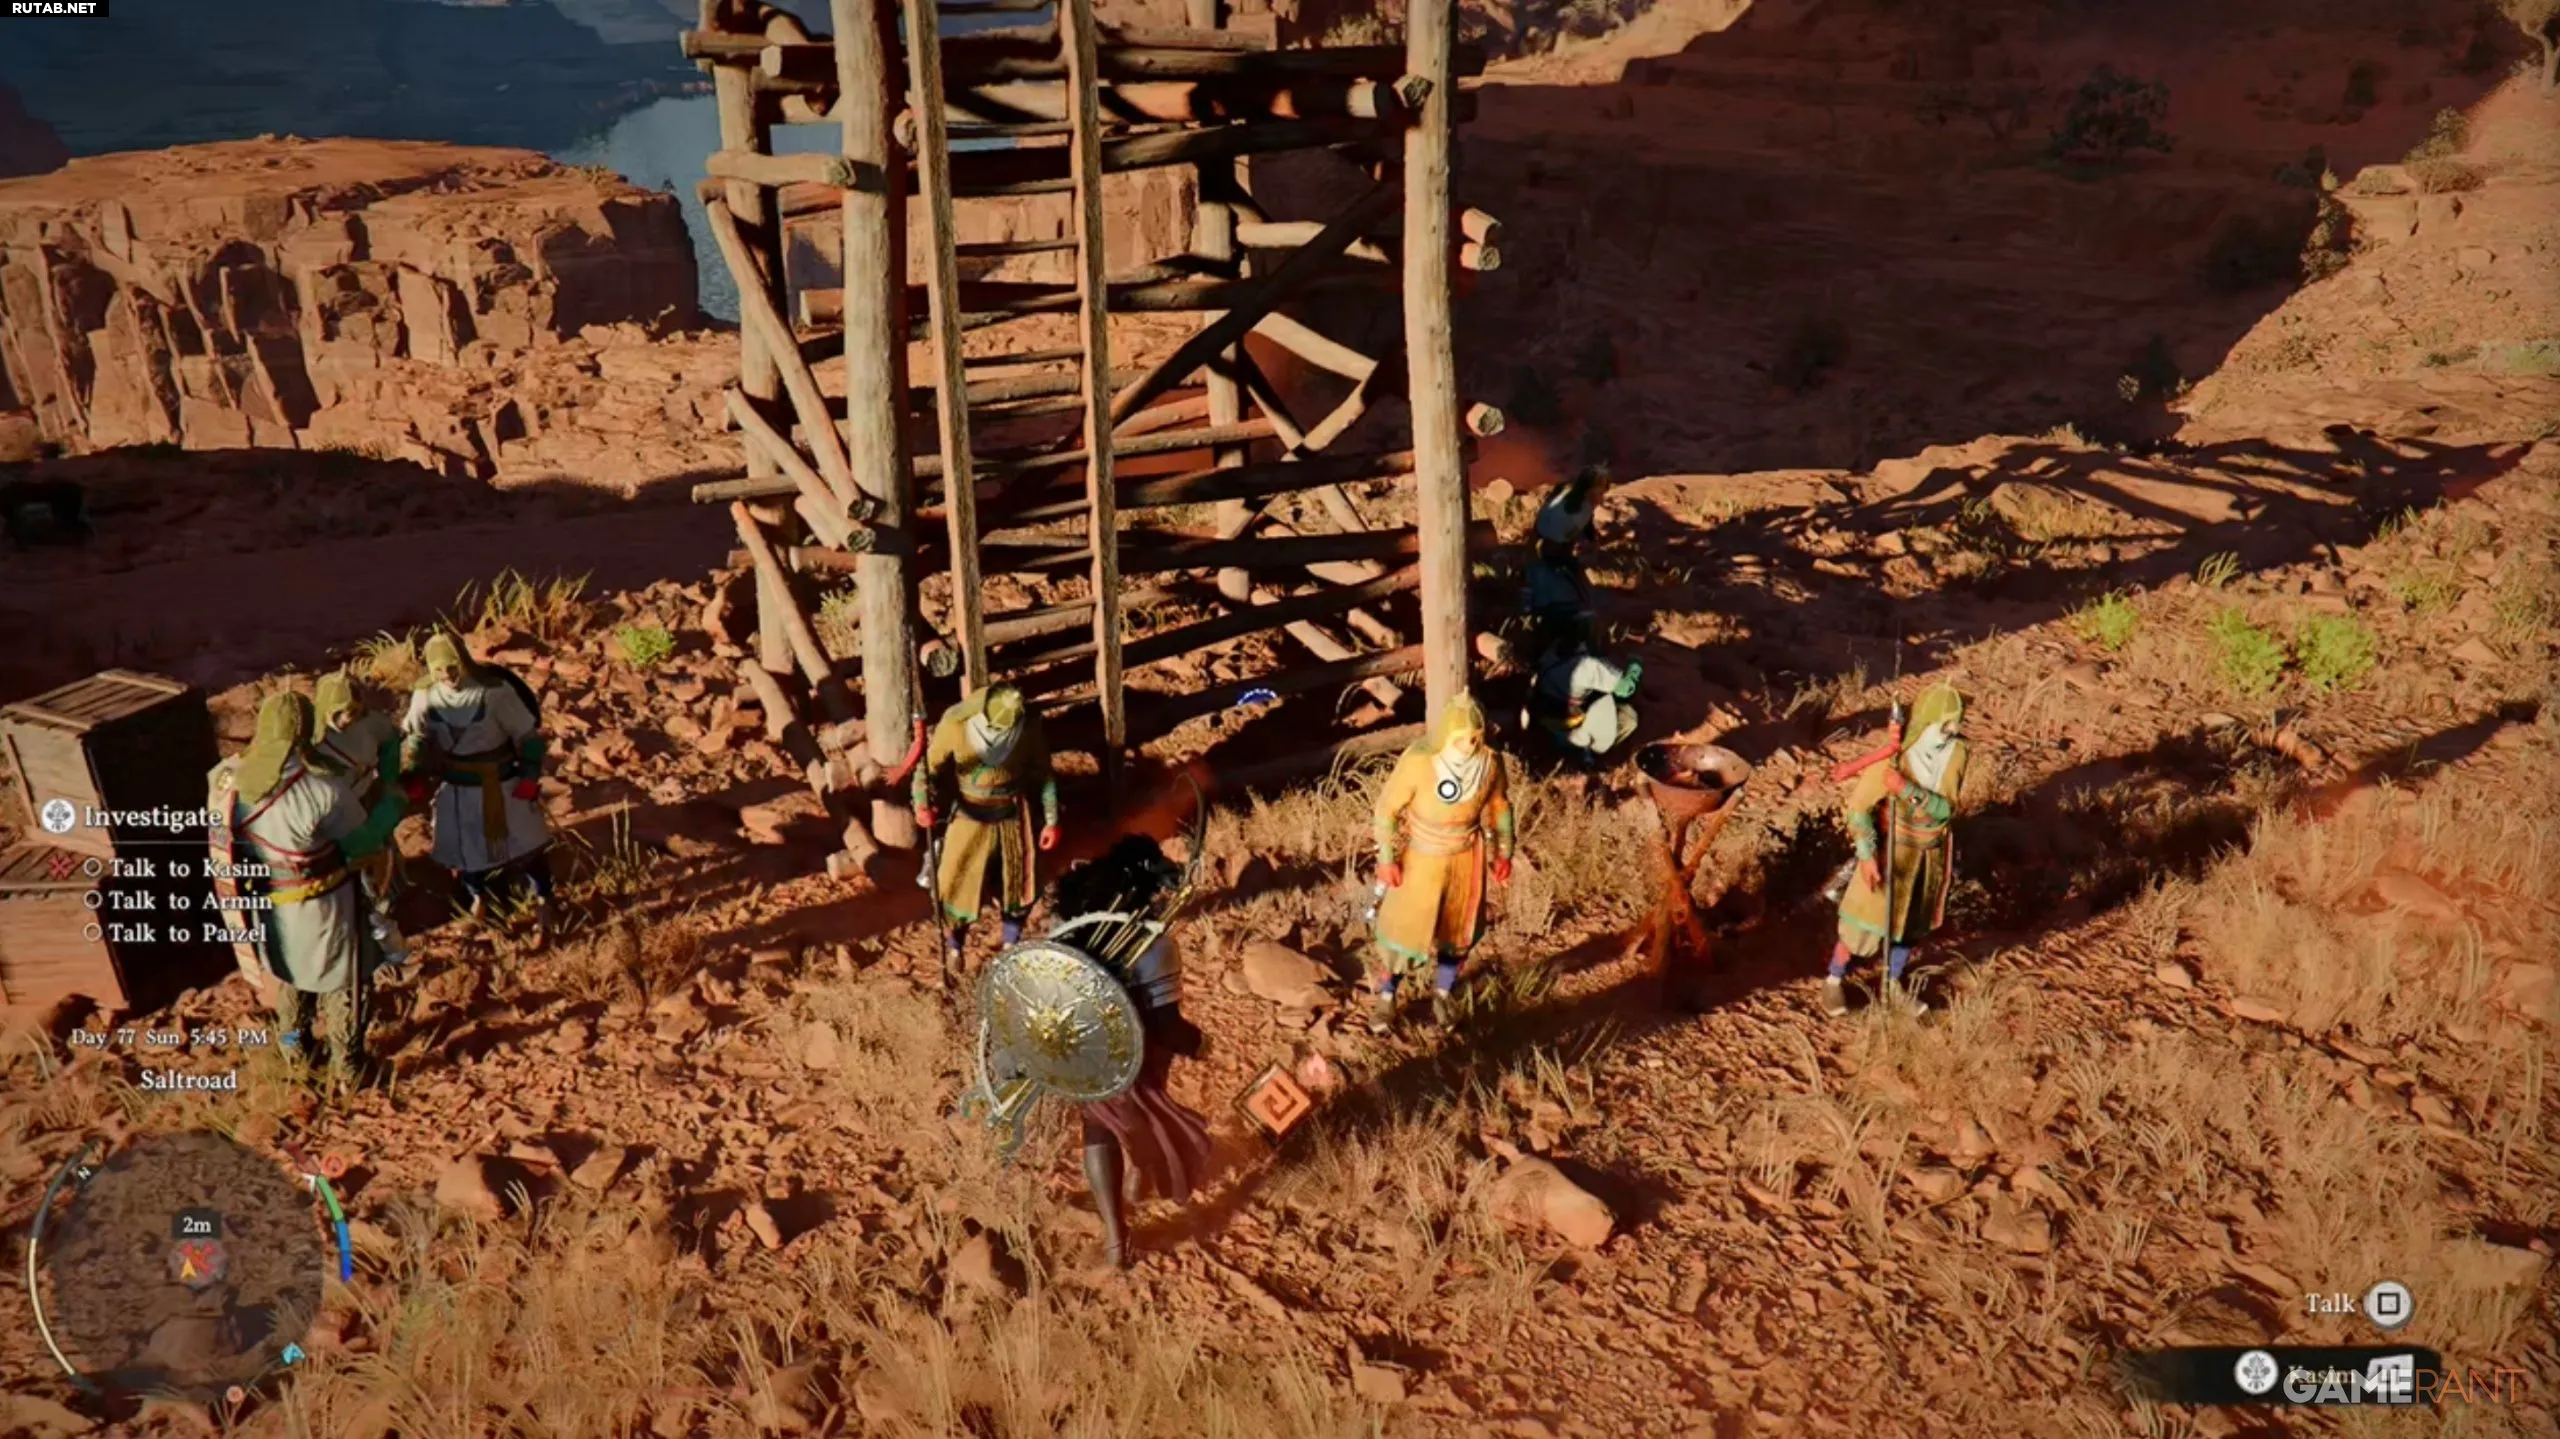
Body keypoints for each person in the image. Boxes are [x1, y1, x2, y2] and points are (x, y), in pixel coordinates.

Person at [206, 691, 409, 1095]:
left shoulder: (224, 777)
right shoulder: (322, 790)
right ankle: (349, 1068)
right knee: (345, 980)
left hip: (267, 905)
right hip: (325, 906)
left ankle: (293, 1054)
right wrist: (391, 808)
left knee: (291, 979)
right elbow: (361, 843)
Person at [1047, 835, 1214, 1268]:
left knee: (1099, 1127)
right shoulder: (1154, 947)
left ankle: (1115, 1238)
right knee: (1138, 1117)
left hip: (1085, 1059)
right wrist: (1199, 1044)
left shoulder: (1066, 936)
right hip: (1137, 1061)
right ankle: (1139, 1180)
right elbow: (1166, 1027)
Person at [1368, 695, 1517, 1030]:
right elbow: (1387, 809)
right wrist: (1386, 859)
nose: (1469, 745)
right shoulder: (1420, 761)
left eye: (1475, 737)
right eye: (1461, 738)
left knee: (1459, 932)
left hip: (1466, 857)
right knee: (1404, 930)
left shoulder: (1490, 762)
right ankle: (1387, 998)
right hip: (1423, 856)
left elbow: (1499, 807)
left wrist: (1503, 852)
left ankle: (1443, 994)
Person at [1824, 683, 1971, 1018]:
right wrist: (1866, 856)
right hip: (1890, 855)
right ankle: (1834, 979)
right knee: (1861, 926)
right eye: (1944, 727)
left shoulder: (1958, 753)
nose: (1949, 735)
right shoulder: (1896, 756)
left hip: (1926, 857)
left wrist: (1905, 789)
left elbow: (1944, 810)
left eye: (1955, 727)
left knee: (1908, 928)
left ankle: (1893, 985)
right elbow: (1858, 808)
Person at [401, 630, 555, 925]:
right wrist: (414, 771)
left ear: (463, 661)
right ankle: (477, 899)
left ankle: (544, 900)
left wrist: (529, 777)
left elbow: (528, 737)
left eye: (452, 667)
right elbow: (416, 736)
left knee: (526, 848)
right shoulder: (425, 696)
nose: (447, 675)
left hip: (503, 785)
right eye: (439, 670)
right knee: (465, 854)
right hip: (458, 789)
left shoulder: (495, 693)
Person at [912, 684, 1060, 964]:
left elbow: (1044, 774)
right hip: (970, 816)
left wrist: (1051, 820)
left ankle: (1010, 947)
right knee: (954, 883)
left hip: (1013, 817)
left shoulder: (1027, 727)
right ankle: (955, 947)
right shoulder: (955, 725)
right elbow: (926, 769)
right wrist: (921, 804)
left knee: (1020, 884)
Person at [310, 670, 410, 973]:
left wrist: (389, 780)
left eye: (353, 712)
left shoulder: (372, 724)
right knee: (350, 871)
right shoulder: (309, 737)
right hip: (333, 814)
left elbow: (390, 742)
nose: (346, 719)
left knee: (382, 860)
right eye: (339, 713)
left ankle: (390, 902)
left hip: (366, 799)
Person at [1527, 615, 1642, 765]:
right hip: (1574, 726)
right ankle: (1595, 752)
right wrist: (1635, 661)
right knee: (1629, 718)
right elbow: (1625, 689)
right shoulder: (1588, 666)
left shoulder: (1552, 651)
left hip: (1548, 716)